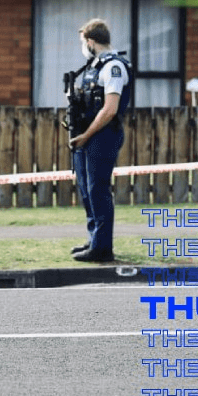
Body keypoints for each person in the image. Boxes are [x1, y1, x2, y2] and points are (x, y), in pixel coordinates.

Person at [68, 18, 131, 262]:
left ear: (91, 42)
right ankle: (95, 239)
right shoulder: (95, 65)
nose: (83, 47)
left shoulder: (113, 67)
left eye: (84, 42)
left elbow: (110, 109)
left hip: (102, 135)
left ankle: (103, 248)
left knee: (98, 190)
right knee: (86, 190)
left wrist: (86, 135)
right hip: (89, 136)